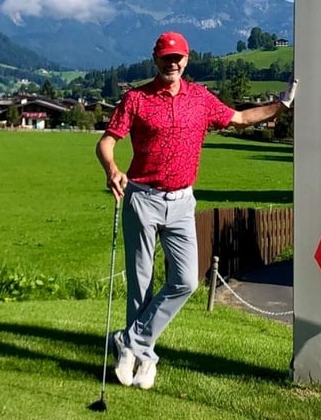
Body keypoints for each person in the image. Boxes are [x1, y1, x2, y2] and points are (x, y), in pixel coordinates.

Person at [94, 31, 297, 390]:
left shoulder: (200, 98)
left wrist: (280, 106)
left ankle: (131, 340)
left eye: (178, 58)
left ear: (186, 60)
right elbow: (107, 141)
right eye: (166, 57)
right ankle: (143, 356)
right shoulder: (136, 99)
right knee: (140, 284)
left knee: (186, 280)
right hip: (142, 198)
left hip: (182, 202)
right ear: (155, 59)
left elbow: (238, 118)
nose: (172, 63)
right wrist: (112, 169)